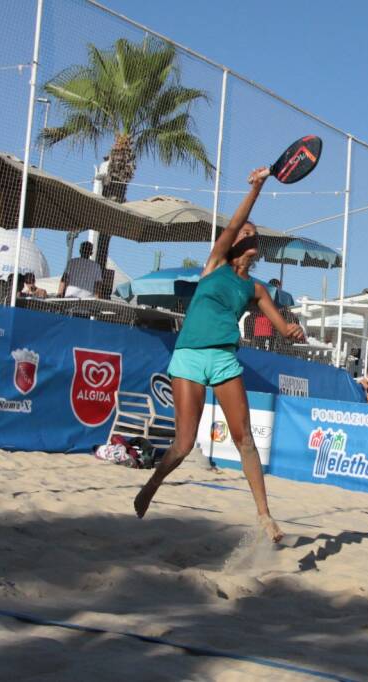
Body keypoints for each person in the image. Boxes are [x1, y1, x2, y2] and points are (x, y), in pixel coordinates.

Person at [134, 167, 305, 542]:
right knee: (183, 443)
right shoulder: (213, 265)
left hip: (225, 358)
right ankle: (152, 484)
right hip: (190, 356)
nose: (249, 232)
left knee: (246, 440)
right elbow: (236, 221)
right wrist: (256, 188)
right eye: (245, 231)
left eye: (253, 233)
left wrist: (293, 331)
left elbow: (282, 328)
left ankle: (264, 516)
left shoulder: (257, 288)